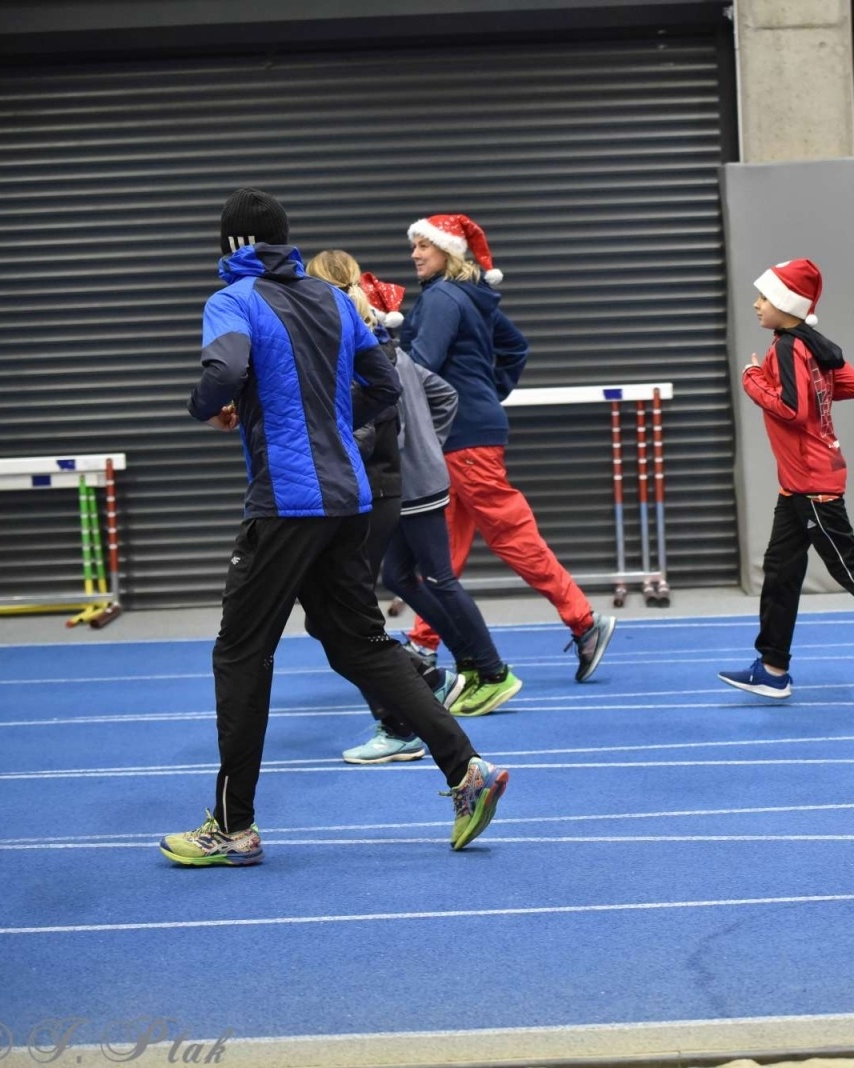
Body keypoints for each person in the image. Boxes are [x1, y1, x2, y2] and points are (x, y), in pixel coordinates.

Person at [161, 189, 506, 866]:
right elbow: (381, 383)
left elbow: (225, 369)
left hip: (287, 503)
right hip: (349, 498)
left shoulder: (231, 300)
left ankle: (232, 828)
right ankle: (468, 770)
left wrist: (211, 404)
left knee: (239, 654)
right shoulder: (330, 299)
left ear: (231, 245)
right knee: (360, 645)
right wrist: (323, 423)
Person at [305, 253, 522, 763]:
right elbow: (442, 395)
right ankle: (447, 671)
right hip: (409, 480)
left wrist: (406, 447)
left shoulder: (370, 352)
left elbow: (383, 418)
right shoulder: (390, 348)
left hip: (410, 485)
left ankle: (486, 669)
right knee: (401, 578)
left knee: (433, 579)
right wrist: (426, 439)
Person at [398, 213, 615, 682]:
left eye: (423, 246)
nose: (414, 254)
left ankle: (584, 620)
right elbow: (515, 348)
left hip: (458, 436)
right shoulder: (475, 298)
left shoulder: (441, 298)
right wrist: (484, 395)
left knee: (509, 534)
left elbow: (420, 367)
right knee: (445, 543)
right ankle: (423, 641)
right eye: (414, 246)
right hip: (465, 432)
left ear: (449, 252)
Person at [718, 258, 854, 703]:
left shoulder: (790, 347)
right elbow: (852, 385)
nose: (756, 304)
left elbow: (793, 410)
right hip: (798, 485)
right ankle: (772, 668)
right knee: (780, 570)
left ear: (787, 305)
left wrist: (753, 379)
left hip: (812, 484)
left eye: (765, 297)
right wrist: (815, 375)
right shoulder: (802, 345)